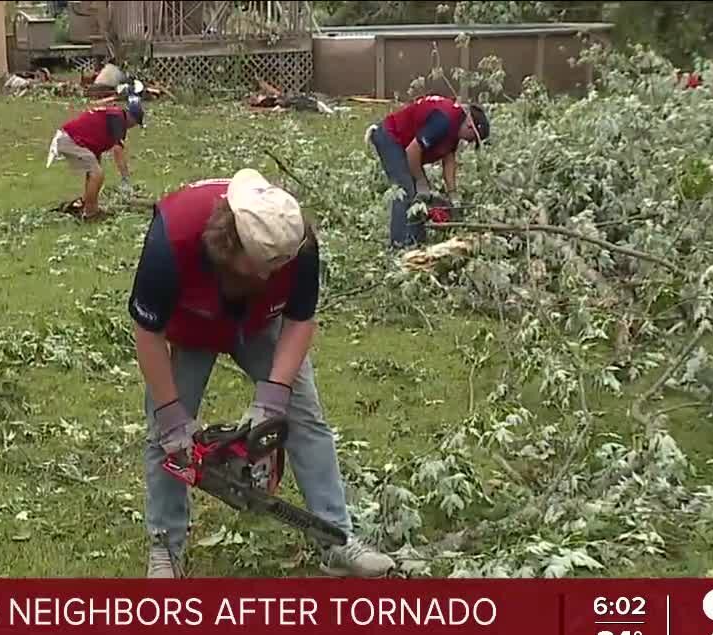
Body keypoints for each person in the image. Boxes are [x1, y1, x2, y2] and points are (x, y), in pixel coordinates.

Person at [127, 168, 396, 579]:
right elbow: (148, 334)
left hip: (259, 324)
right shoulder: (172, 239)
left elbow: (300, 320)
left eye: (277, 268)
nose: (270, 276)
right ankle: (166, 548)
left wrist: (273, 397)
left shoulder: (295, 241)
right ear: (227, 243)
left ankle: (336, 539)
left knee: (305, 417)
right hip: (191, 323)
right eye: (259, 268)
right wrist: (171, 416)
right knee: (162, 439)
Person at [365, 95, 489, 248]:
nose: (468, 142)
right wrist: (421, 180)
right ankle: (398, 245)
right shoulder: (444, 121)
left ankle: (416, 241)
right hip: (391, 137)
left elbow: (449, 159)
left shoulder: (456, 124)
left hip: (405, 145)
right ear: (471, 125)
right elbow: (412, 151)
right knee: (405, 190)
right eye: (472, 139)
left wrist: (453, 194)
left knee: (418, 195)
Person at [47, 97, 144, 220]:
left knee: (94, 173)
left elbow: (96, 138)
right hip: (69, 139)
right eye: (136, 123)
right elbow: (118, 150)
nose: (133, 127)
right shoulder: (118, 118)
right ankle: (91, 214)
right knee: (97, 174)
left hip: (70, 138)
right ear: (132, 118)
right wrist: (125, 178)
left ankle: (85, 205)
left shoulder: (114, 116)